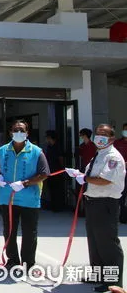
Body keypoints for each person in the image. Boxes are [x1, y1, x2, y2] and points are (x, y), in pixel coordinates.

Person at [67, 124, 125, 292]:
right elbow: (92, 176)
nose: (100, 137)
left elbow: (105, 179)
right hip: (93, 201)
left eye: (104, 134)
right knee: (95, 241)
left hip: (106, 203)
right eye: (98, 134)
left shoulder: (113, 157)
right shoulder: (99, 155)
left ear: (112, 138)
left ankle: (113, 281)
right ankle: (98, 274)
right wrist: (81, 176)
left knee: (107, 242)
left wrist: (84, 178)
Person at [0, 119, 50, 272]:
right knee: (9, 230)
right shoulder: (3, 150)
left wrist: (25, 183)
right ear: (10, 132)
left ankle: (28, 263)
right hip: (7, 197)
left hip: (29, 198)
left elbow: (44, 173)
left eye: (22, 130)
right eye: (16, 130)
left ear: (27, 133)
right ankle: (12, 260)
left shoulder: (37, 151)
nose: (18, 133)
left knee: (29, 232)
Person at [44, 130, 65, 212]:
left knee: (57, 189)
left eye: (47, 137)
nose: (46, 139)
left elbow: (61, 158)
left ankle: (58, 206)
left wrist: (62, 169)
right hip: (50, 171)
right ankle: (53, 205)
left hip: (57, 171)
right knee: (51, 189)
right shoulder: (49, 147)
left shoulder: (57, 147)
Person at [113, 123, 127, 224]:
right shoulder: (117, 143)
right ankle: (122, 217)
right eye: (125, 129)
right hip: (120, 173)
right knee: (121, 195)